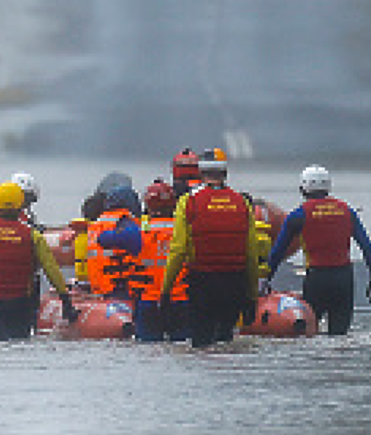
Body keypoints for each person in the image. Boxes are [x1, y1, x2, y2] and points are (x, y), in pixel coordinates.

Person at [157, 148, 261, 347]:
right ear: (225, 173)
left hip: (202, 284)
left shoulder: (188, 202)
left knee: (202, 346)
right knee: (226, 343)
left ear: (200, 172)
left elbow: (178, 251)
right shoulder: (242, 203)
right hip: (235, 284)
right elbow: (251, 255)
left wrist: (166, 290)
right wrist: (252, 296)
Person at [264, 165, 371, 336]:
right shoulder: (347, 211)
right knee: (340, 336)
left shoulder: (298, 215)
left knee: (310, 334)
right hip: (344, 280)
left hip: (316, 280)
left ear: (303, 188)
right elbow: (368, 248)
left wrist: (265, 280)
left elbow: (276, 253)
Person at [0, 181, 74, 341]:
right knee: (20, 342)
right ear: (21, 205)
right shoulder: (33, 235)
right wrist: (65, 299)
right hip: (21, 302)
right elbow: (50, 268)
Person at [132, 180, 187, 341]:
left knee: (148, 349)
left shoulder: (137, 230)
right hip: (180, 300)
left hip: (148, 300)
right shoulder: (184, 229)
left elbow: (105, 240)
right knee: (182, 343)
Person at [83, 184, 144, 299]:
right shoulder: (125, 223)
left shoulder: (97, 223)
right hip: (120, 289)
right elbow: (137, 243)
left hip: (99, 287)